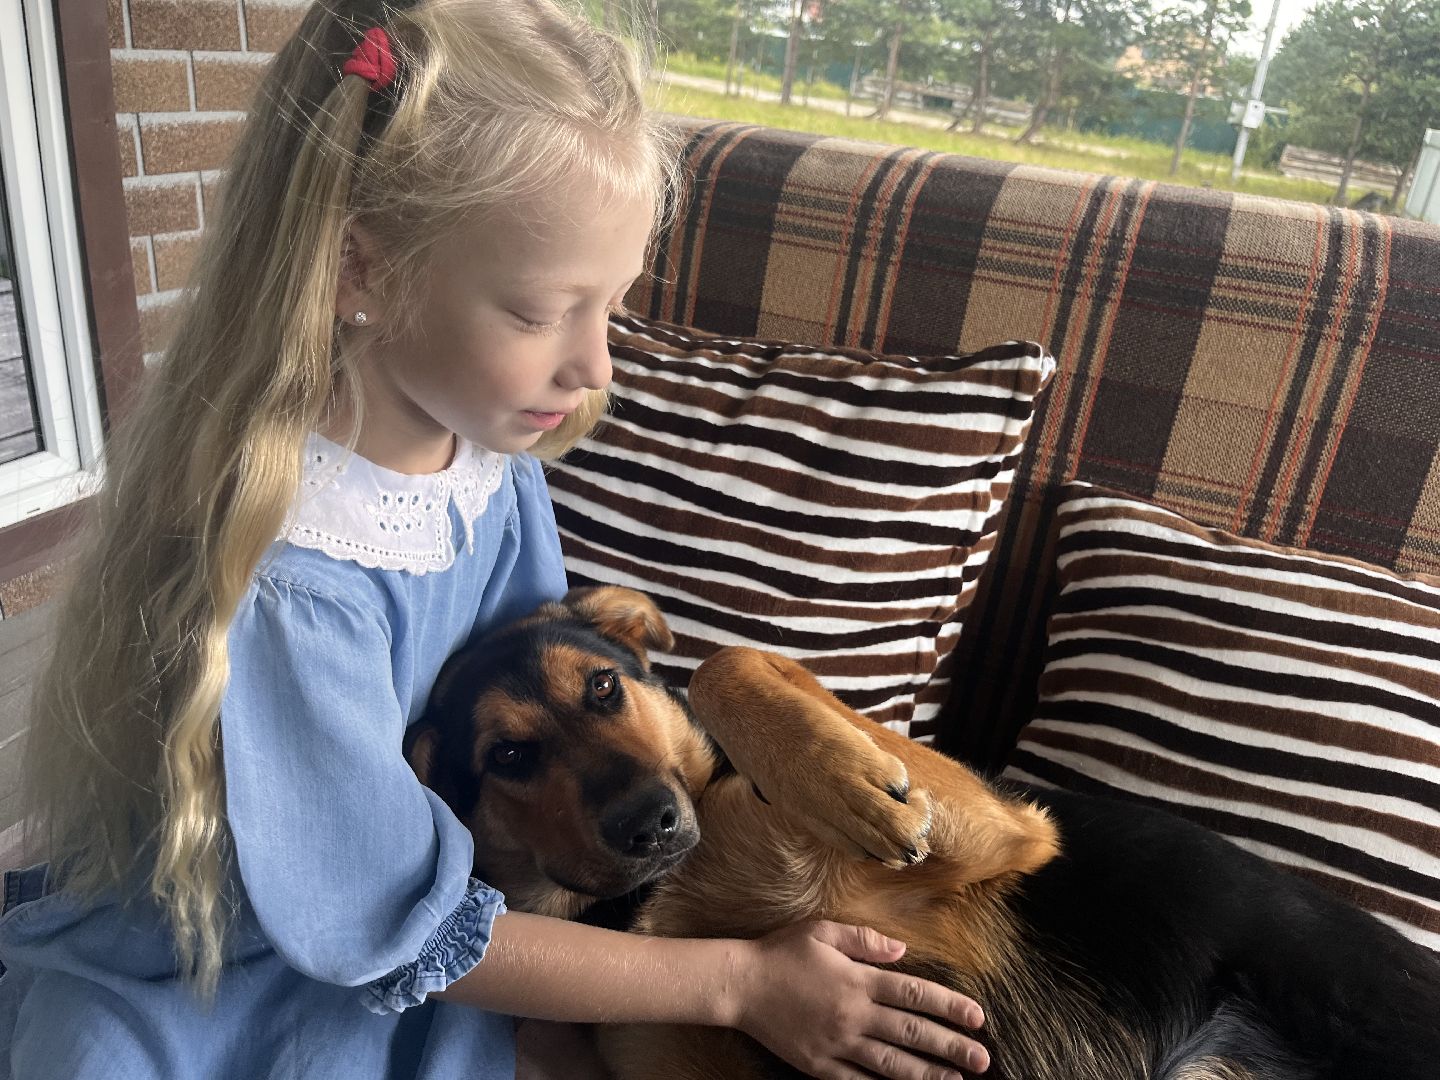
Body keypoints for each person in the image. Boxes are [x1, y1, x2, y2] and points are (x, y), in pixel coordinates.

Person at [0, 1, 993, 1077]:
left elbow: (536, 678)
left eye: (612, 304)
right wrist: (738, 985)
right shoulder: (296, 588)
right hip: (245, 981)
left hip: (452, 927)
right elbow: (390, 923)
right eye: (541, 312)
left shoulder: (488, 464)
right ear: (359, 271)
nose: (597, 365)